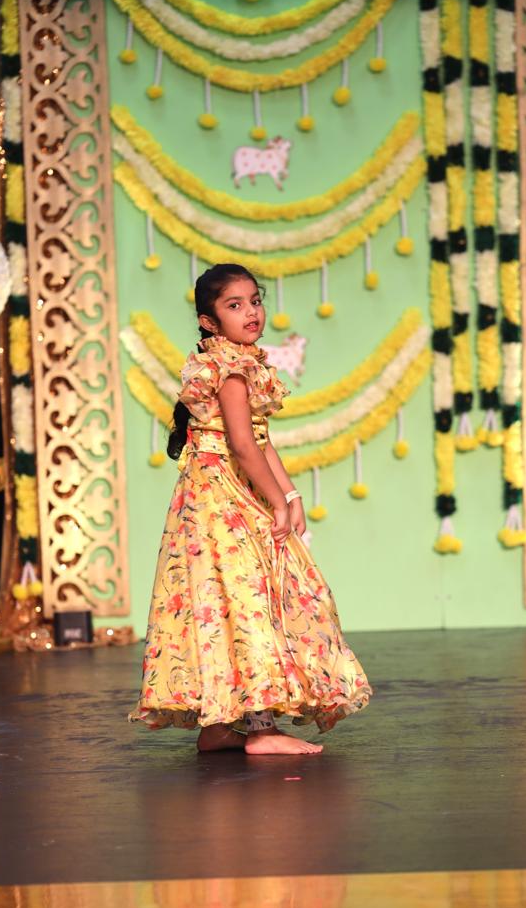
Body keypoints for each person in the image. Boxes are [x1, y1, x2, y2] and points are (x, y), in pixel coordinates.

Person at [127, 263, 373, 755]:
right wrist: (276, 499)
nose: (251, 312)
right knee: (248, 599)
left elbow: (260, 440)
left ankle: (218, 726)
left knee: (228, 601)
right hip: (222, 498)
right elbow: (241, 444)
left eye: (254, 301)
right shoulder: (229, 368)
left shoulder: (239, 362)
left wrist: (291, 495)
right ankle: (260, 730)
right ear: (209, 322)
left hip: (226, 492)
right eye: (234, 305)